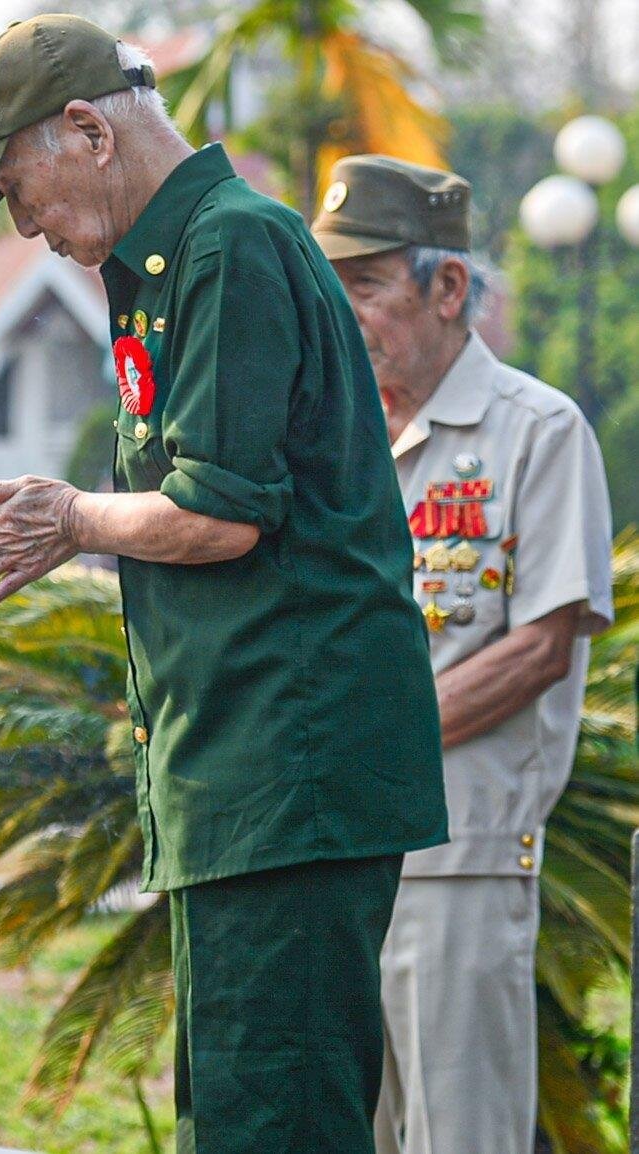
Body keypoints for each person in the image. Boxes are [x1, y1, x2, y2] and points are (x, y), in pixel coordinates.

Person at [0, 17, 447, 1153]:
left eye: (19, 191)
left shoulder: (228, 244)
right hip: (239, 771)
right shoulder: (165, 256)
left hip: (290, 772)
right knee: (240, 1112)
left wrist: (69, 518)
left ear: (87, 132)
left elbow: (217, 512)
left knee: (280, 1119)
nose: (27, 227)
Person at [312, 154, 614, 1154]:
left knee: (461, 1138)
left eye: (364, 285)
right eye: (333, 285)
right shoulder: (328, 443)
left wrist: (360, 745)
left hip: (461, 858)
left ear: (448, 287)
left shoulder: (537, 431)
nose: (342, 311)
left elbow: (537, 649)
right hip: (335, 858)